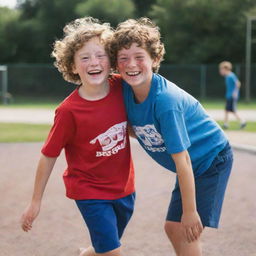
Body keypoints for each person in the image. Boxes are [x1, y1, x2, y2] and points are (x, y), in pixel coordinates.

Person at [109, 18, 233, 256]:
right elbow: (137, 128)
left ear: (154, 59)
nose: (130, 64)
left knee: (185, 228)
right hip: (190, 163)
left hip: (210, 160)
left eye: (139, 57)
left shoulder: (166, 102)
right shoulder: (124, 89)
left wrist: (190, 211)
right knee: (173, 228)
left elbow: (183, 161)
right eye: (123, 58)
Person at [20, 17, 135, 256]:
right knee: (113, 251)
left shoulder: (122, 87)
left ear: (111, 60)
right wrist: (35, 201)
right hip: (89, 191)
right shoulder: (69, 111)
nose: (94, 62)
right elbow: (48, 155)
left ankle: (86, 254)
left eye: (101, 55)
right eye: (85, 57)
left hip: (125, 188)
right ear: (73, 66)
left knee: (104, 247)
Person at [219, 61, 246, 129]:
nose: (221, 71)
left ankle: (242, 121)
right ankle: (226, 124)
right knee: (226, 110)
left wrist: (235, 93)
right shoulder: (227, 76)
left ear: (226, 69)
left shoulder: (231, 75)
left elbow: (238, 83)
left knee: (233, 110)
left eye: (222, 69)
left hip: (232, 96)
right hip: (229, 96)